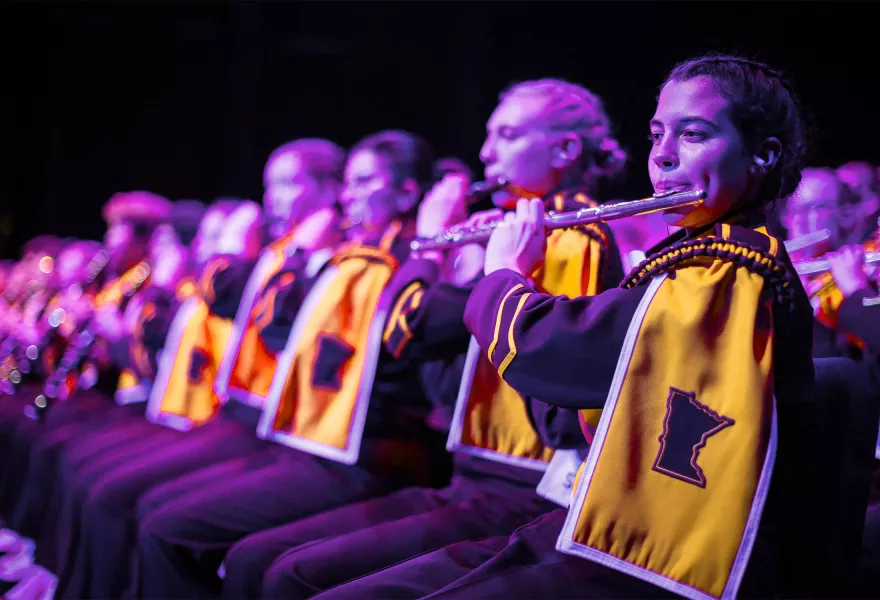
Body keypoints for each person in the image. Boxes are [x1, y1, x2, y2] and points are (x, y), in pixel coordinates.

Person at [300, 54, 821, 600]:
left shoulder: (729, 270)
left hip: (654, 545)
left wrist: (500, 271)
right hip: (601, 511)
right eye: (657, 134)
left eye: (692, 135)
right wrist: (466, 268)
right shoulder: (703, 261)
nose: (663, 155)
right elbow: (440, 370)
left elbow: (549, 382)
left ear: (762, 155)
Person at [222, 78, 627, 600]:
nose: (486, 153)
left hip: (525, 488)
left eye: (506, 135)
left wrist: (436, 246)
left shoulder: (571, 235)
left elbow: (403, 332)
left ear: (565, 149)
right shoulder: (516, 230)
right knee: (269, 565)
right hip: (470, 476)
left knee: (289, 574)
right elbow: (424, 355)